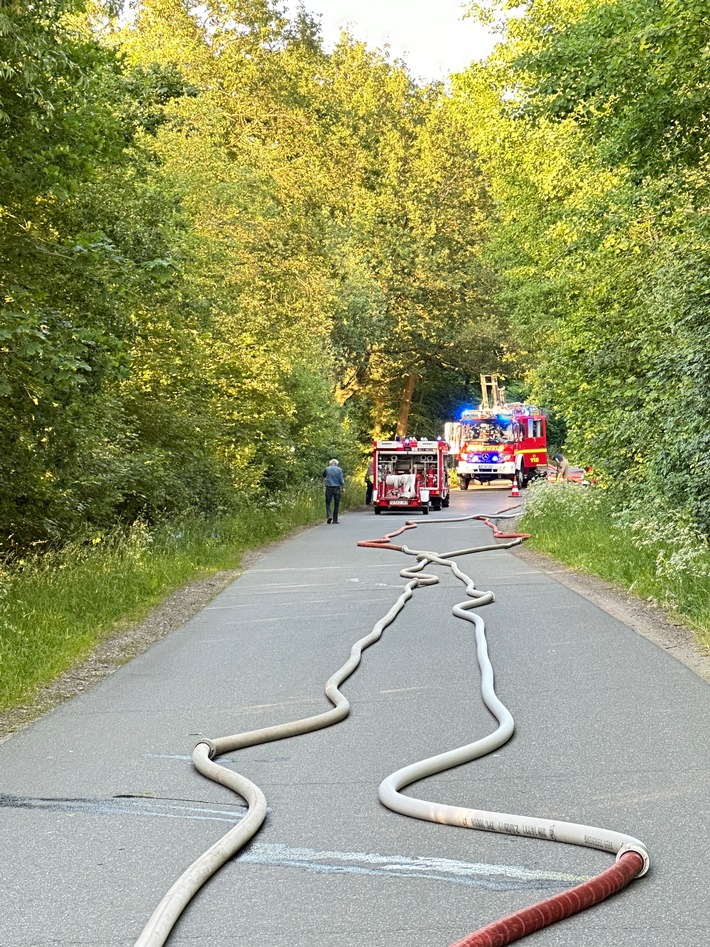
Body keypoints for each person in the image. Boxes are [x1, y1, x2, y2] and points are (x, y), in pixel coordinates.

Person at [323, 458, 345, 524]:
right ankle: (335, 520)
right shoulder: (339, 470)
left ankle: (329, 515)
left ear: (330, 463)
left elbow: (324, 475)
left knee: (328, 503)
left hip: (329, 487)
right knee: (336, 504)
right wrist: (343, 487)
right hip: (337, 488)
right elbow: (341, 480)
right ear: (336, 464)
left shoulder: (327, 469)